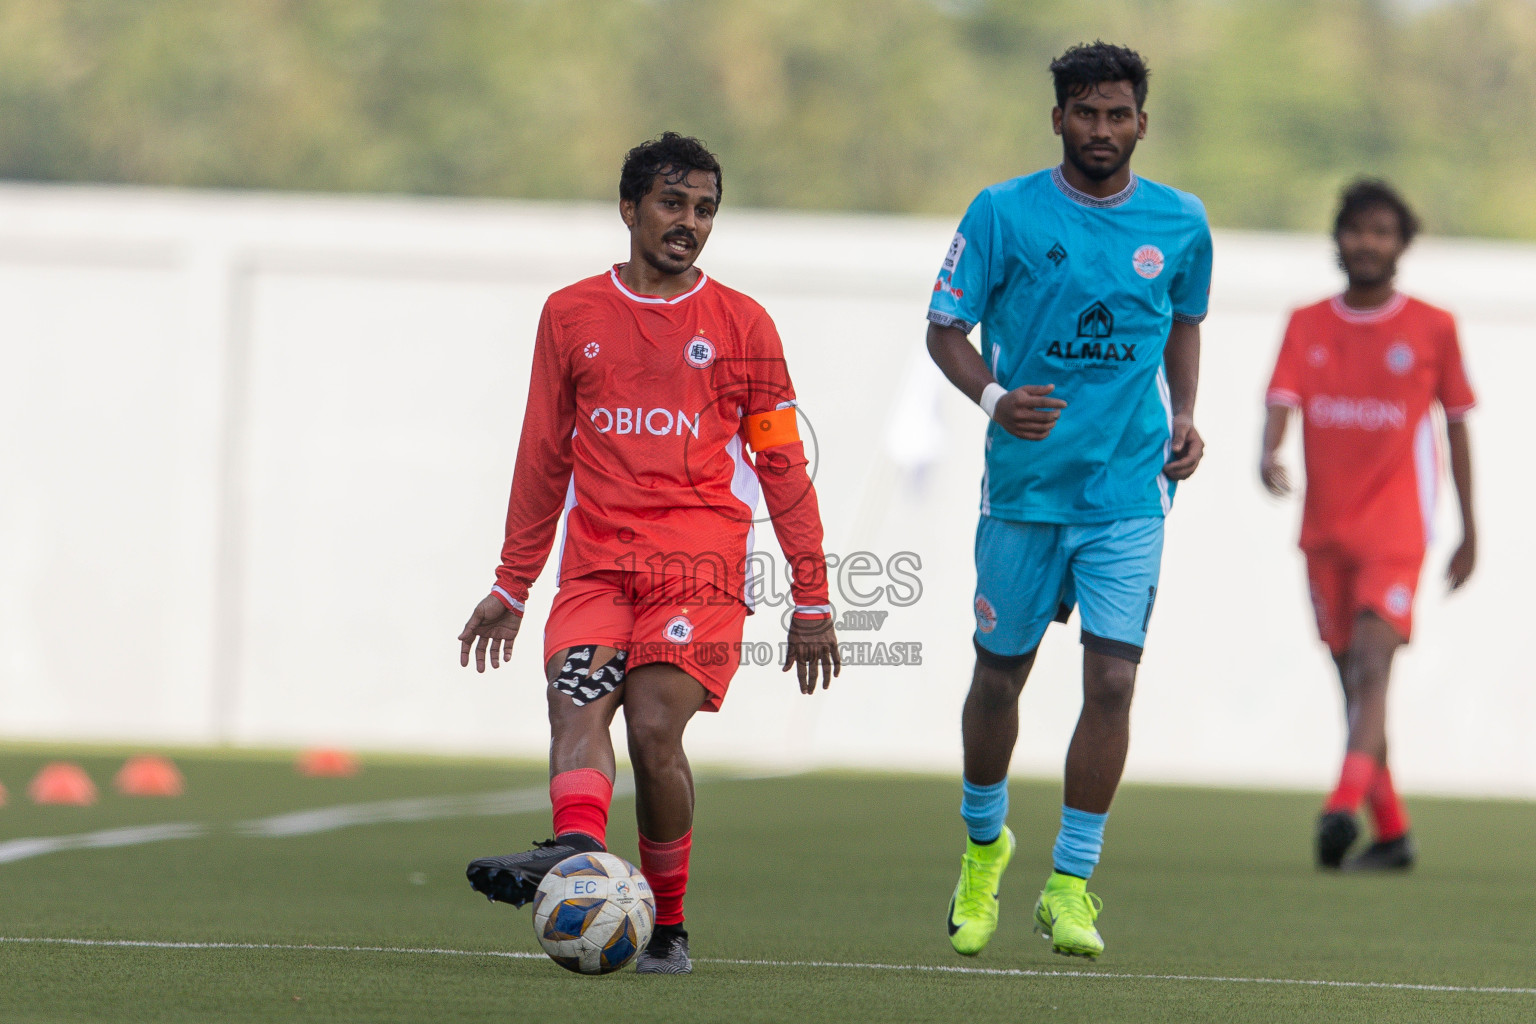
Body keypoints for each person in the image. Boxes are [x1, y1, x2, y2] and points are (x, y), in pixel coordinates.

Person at [457, 132, 840, 974]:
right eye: (673, 203)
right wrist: (512, 586)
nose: (689, 222)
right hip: (597, 565)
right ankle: (576, 851)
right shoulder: (570, 314)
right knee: (575, 703)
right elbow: (543, 454)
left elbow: (783, 464)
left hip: (699, 568)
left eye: (705, 208)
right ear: (629, 208)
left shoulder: (744, 324)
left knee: (655, 728)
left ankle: (667, 924)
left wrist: (811, 599)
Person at [926, 42, 1212, 960]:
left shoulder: (1180, 221)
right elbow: (945, 327)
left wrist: (1186, 416)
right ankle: (983, 849)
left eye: (1117, 113)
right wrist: (995, 400)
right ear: (1058, 118)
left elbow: (1185, 320)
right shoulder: (1002, 211)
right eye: (1085, 112)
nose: (1101, 128)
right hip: (1023, 492)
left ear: (1141, 123)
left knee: (1115, 679)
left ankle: (1070, 885)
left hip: (1128, 492)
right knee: (998, 679)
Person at [1261, 180, 1476, 871]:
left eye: (1382, 232)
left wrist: (1471, 530)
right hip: (1324, 531)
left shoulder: (1433, 326)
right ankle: (1393, 833)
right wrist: (1268, 453)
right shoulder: (1307, 322)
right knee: (1349, 682)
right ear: (1338, 238)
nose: (1368, 243)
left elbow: (1458, 424)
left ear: (1402, 244)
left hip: (1396, 530)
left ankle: (1341, 804)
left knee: (1371, 667)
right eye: (1357, 229)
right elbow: (1280, 399)